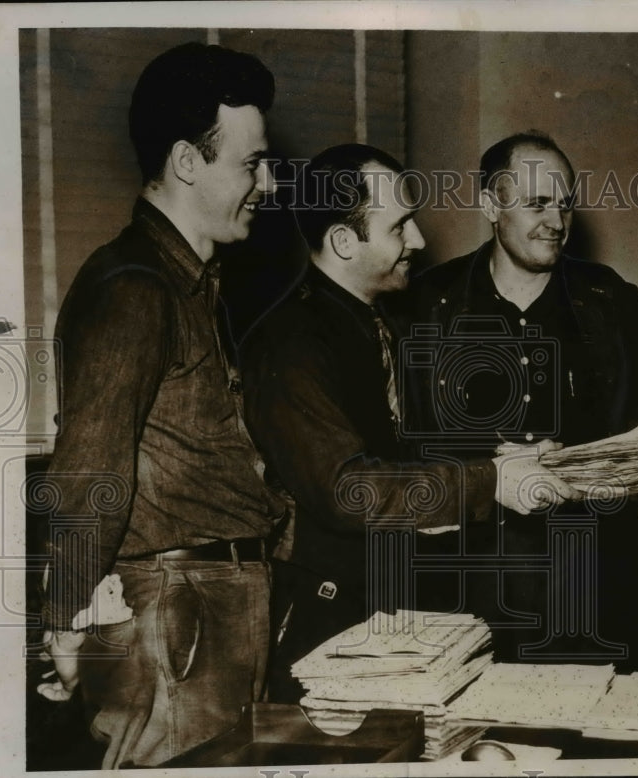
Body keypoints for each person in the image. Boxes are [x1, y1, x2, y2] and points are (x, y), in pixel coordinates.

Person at [237, 143, 581, 702]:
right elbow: (349, 489)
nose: (419, 241)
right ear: (345, 241)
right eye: (400, 227)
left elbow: (408, 451)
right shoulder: (291, 344)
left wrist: (507, 458)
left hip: (398, 613)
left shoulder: (386, 324)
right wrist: (494, 481)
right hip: (330, 626)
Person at [37, 42, 284, 768]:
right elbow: (90, 468)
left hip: (208, 610)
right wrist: (67, 620)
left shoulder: (189, 286)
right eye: (251, 164)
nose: (267, 184)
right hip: (177, 619)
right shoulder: (135, 288)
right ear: (186, 161)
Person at [409, 132, 638, 668]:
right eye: (537, 203)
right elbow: (405, 434)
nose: (556, 222)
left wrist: (592, 462)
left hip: (593, 573)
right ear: (490, 204)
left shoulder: (609, 297)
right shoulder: (429, 302)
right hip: (473, 579)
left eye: (563, 204)